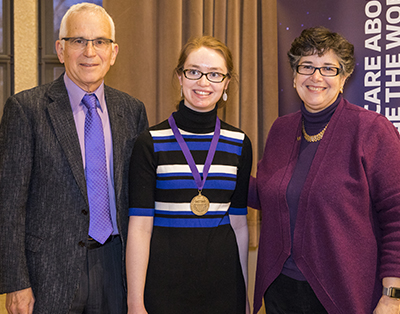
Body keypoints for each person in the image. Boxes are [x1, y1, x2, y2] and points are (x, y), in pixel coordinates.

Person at [0, 3, 148, 314]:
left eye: (100, 42)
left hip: (116, 267)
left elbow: (140, 198)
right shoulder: (26, 110)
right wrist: (15, 282)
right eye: (78, 41)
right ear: (60, 48)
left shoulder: (132, 111)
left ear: (114, 51)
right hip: (48, 274)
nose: (89, 52)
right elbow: (8, 203)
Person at [249, 26, 400, 314]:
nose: (316, 77)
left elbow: (396, 215)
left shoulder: (371, 129)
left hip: (344, 293)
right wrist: (219, 170)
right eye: (307, 66)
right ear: (294, 76)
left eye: (329, 68)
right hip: (281, 291)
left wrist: (392, 295)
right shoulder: (281, 129)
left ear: (343, 79)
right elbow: (270, 194)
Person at [126, 35, 252, 314]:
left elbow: (240, 225)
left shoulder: (239, 143)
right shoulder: (150, 142)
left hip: (224, 289)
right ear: (180, 77)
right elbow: (140, 228)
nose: (204, 82)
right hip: (163, 289)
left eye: (215, 74)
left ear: (226, 83)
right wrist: (135, 303)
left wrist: (243, 295)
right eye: (194, 71)